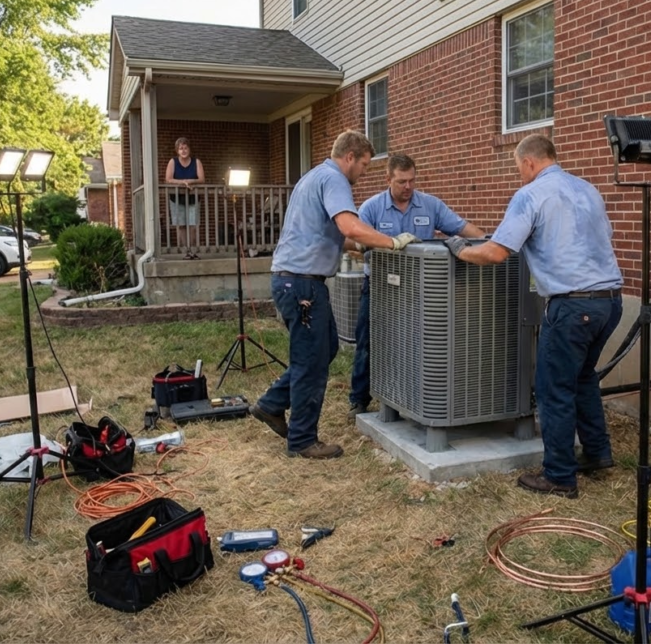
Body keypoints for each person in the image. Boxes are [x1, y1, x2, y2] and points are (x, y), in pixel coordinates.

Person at [444, 134, 623, 499]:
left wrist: (461, 250)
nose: (519, 176)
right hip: (610, 303)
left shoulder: (531, 194)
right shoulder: (588, 189)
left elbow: (495, 252)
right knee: (583, 377)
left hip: (572, 306)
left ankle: (559, 475)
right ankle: (597, 453)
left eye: (518, 169)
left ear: (528, 162)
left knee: (553, 388)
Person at [249, 130, 420, 460]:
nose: (365, 172)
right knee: (311, 360)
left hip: (293, 281)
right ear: (350, 157)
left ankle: (271, 405)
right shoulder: (335, 179)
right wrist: (392, 241)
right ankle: (302, 440)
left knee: (322, 349)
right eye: (365, 165)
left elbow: (335, 236)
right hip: (303, 285)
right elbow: (350, 227)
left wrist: (365, 246)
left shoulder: (314, 176)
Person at [346, 153, 485, 421]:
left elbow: (461, 227)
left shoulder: (430, 205)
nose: (407, 187)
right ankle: (359, 399)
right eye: (401, 182)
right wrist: (372, 245)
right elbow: (351, 240)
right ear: (388, 179)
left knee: (418, 341)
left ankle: (410, 395)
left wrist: (489, 243)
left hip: (420, 290)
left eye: (411, 181)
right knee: (368, 340)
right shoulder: (372, 208)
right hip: (379, 288)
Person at [164, 137, 205, 259]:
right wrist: (183, 182)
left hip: (193, 198)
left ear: (189, 149)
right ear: (177, 151)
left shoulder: (196, 162)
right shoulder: (173, 162)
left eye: (185, 147)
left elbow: (202, 179)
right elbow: (168, 179)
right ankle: (184, 252)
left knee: (193, 225)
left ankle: (192, 250)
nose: (183, 150)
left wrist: (190, 181)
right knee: (181, 225)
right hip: (176, 198)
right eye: (180, 148)